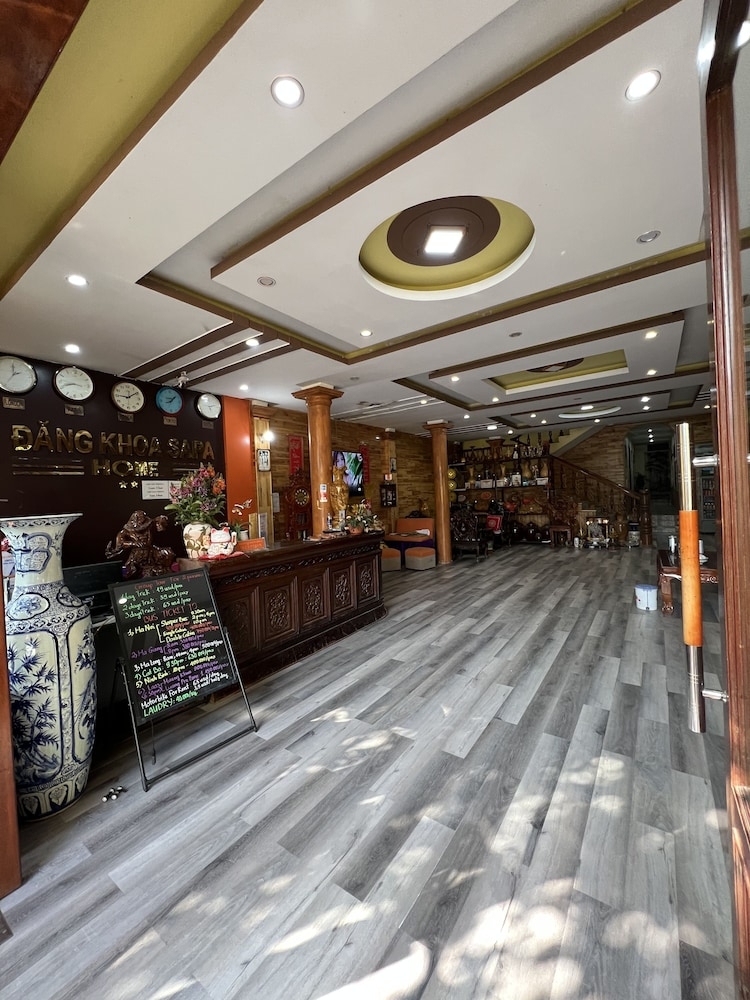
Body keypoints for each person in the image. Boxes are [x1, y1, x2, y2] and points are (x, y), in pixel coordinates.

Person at [106, 510, 175, 578]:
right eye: (139, 518)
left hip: (150, 550)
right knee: (127, 570)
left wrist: (161, 521)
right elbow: (120, 544)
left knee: (167, 553)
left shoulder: (149, 525)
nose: (141, 521)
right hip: (137, 554)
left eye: (143, 518)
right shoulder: (126, 531)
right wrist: (133, 543)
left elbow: (158, 522)